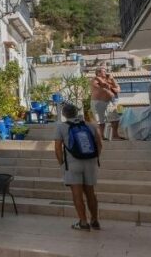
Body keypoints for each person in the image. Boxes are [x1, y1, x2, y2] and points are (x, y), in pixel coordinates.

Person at [54, 101, 104, 231]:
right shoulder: (90, 126)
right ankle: (95, 220)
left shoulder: (61, 127)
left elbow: (58, 149)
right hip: (90, 162)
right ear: (77, 113)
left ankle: (83, 222)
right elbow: (99, 144)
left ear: (64, 114)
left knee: (77, 194)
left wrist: (62, 164)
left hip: (73, 163)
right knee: (90, 193)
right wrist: (94, 158)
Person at [91, 67, 120, 137]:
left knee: (115, 118)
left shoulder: (108, 80)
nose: (106, 72)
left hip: (109, 102)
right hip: (98, 102)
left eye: (106, 71)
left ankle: (115, 135)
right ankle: (101, 136)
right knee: (100, 121)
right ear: (98, 73)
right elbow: (101, 86)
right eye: (104, 71)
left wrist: (112, 79)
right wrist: (109, 87)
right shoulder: (95, 79)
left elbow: (118, 88)